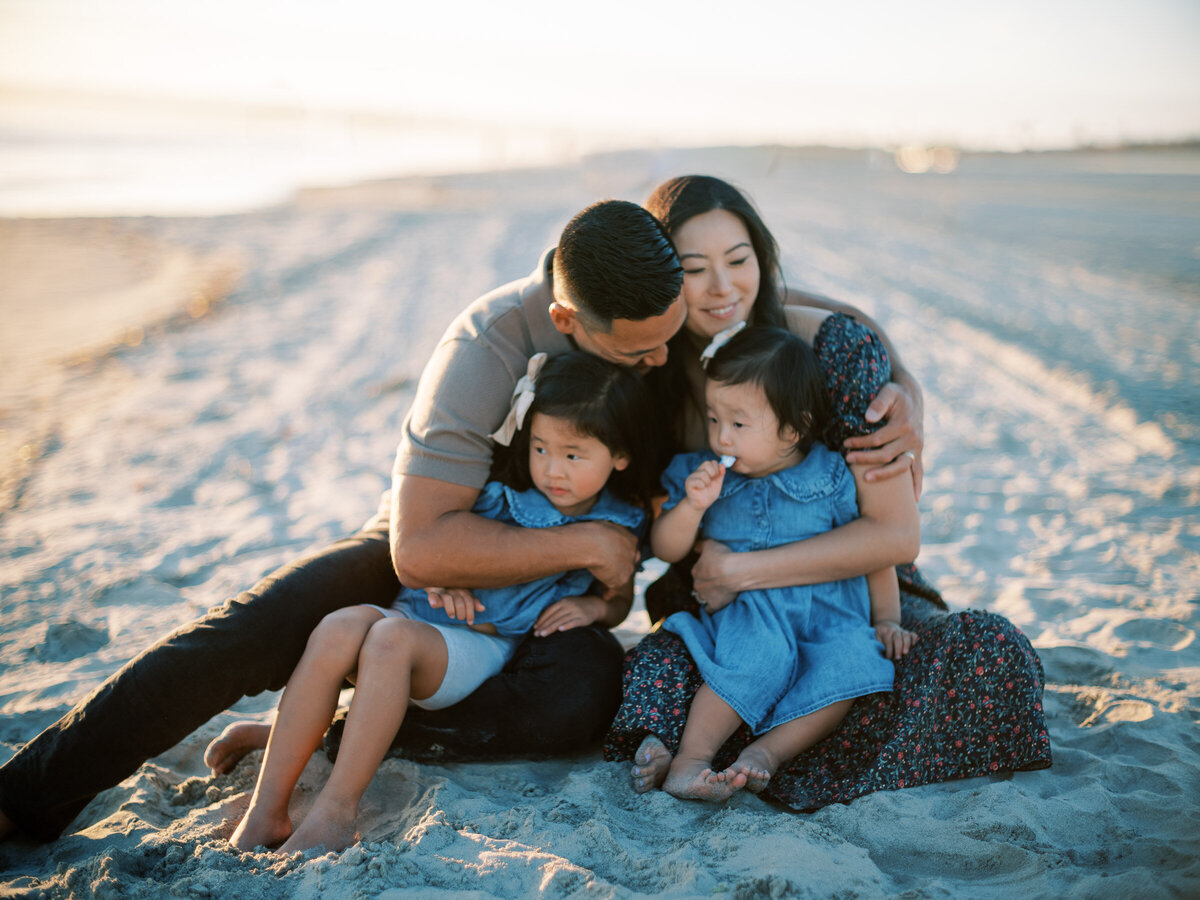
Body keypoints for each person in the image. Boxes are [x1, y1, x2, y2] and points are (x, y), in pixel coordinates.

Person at [0, 193, 923, 843]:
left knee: (581, 698)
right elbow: (420, 541)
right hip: (452, 547)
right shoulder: (486, 343)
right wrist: (589, 544)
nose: (661, 357)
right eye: (637, 349)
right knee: (269, 619)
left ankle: (324, 728)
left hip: (581, 587)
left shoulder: (665, 307)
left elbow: (808, 319)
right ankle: (32, 794)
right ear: (569, 320)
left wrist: (904, 392)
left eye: (671, 329)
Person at [604, 175, 1051, 808]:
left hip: (848, 591)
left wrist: (747, 569)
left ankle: (768, 750)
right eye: (692, 269)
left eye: (739, 261)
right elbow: (664, 543)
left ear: (762, 256)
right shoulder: (647, 366)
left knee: (986, 653)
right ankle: (711, 750)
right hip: (722, 607)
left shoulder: (831, 352)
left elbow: (894, 537)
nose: (722, 288)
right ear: (661, 277)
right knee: (665, 666)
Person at [230, 352, 655, 852]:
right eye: (540, 447)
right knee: (338, 627)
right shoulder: (502, 494)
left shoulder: (618, 522)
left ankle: (336, 811)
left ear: (619, 456)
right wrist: (444, 579)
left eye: (573, 454)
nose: (551, 469)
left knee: (389, 641)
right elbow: (444, 545)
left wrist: (593, 610)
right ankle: (268, 811)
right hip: (421, 612)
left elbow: (619, 599)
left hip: (479, 642)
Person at [649, 327, 919, 801]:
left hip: (831, 613)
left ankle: (766, 754)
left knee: (853, 667)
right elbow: (666, 549)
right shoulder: (704, 476)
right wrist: (691, 507)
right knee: (756, 661)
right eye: (714, 418)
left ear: (792, 430)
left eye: (738, 423)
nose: (720, 436)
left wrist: (888, 619)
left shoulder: (831, 475)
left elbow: (876, 555)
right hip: (753, 612)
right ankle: (690, 760)